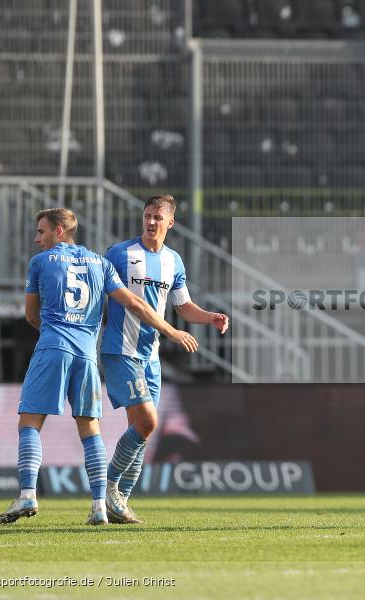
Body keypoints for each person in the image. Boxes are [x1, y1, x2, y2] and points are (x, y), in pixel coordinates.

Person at [0, 208, 198, 526]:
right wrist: (170, 331)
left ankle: (28, 494)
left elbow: (32, 315)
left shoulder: (40, 262)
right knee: (90, 429)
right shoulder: (100, 263)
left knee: (30, 421)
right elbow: (134, 302)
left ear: (59, 231)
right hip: (87, 355)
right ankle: (100, 506)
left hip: (53, 347)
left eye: (41, 231)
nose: (37, 239)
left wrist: (55, 331)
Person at [100, 194, 229, 524]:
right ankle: (107, 490)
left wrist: (209, 317)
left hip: (150, 357)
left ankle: (117, 504)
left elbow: (183, 306)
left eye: (158, 217)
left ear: (170, 222)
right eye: (147, 215)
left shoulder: (173, 261)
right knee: (148, 423)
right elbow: (102, 295)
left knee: (141, 432)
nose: (151, 222)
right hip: (121, 351)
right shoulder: (120, 254)